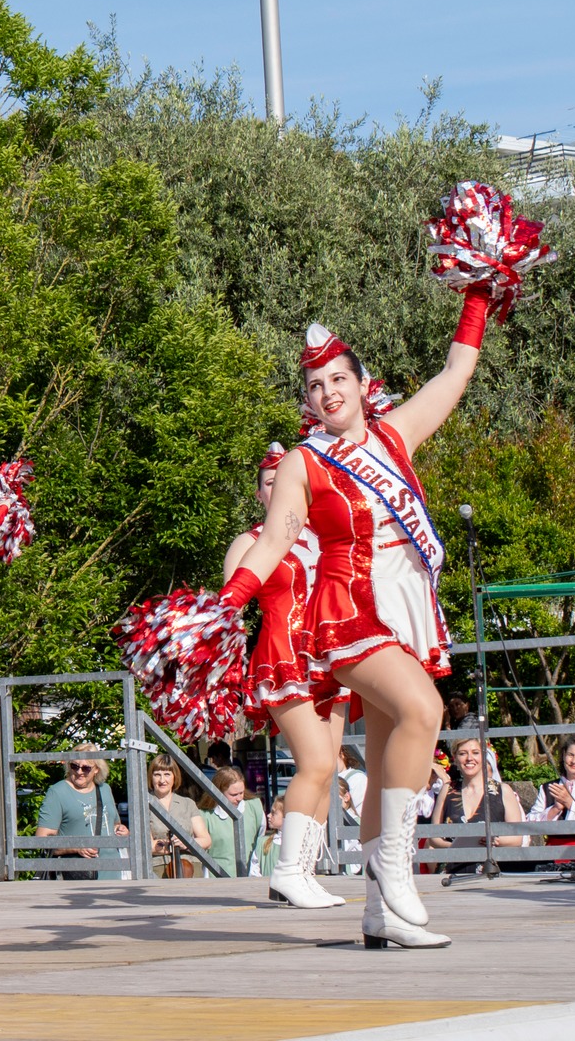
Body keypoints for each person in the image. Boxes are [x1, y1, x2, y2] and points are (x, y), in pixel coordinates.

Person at [219, 292, 502, 949]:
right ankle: (396, 871)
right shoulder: (303, 463)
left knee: (382, 760)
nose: (327, 392)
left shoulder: (395, 437)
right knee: (425, 711)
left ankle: (380, 914)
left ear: (360, 383)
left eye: (337, 379)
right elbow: (272, 541)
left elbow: (455, 372)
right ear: (309, 399)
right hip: (347, 614)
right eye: (315, 386)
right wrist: (227, 602)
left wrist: (479, 295)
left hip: (406, 614)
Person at [222, 441, 347, 908]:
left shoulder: (321, 537)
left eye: (286, 480)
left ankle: (303, 873)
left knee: (328, 770)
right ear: (259, 495)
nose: (279, 488)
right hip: (282, 656)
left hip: (329, 658)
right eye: (270, 482)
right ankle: (288, 870)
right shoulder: (251, 541)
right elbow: (227, 613)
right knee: (313, 763)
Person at [425, 735, 524, 875]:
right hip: (451, 872)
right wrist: (455, 848)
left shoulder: (503, 790)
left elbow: (517, 839)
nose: (469, 758)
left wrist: (494, 841)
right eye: (462, 753)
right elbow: (434, 837)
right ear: (455, 759)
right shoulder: (447, 790)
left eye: (475, 753)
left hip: (490, 871)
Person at [34, 744, 128, 880]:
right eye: (74, 766)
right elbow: (42, 841)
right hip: (76, 878)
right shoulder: (57, 792)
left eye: (86, 768)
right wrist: (77, 847)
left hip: (113, 874)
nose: (79, 772)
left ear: (96, 769)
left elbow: (113, 824)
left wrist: (121, 830)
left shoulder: (105, 789)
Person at [526, 738, 575, 861]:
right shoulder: (548, 788)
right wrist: (555, 809)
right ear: (563, 757)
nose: (574, 761)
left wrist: (570, 803)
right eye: (570, 755)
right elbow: (530, 823)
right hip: (552, 851)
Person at [142, 755, 210, 877]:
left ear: (175, 777)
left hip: (190, 867)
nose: (162, 780)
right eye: (157, 774)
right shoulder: (144, 804)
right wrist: (173, 845)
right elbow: (148, 845)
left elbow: (205, 840)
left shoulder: (188, 803)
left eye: (167, 774)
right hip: (158, 868)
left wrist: (186, 843)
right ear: (151, 778)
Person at [199, 767, 265, 879]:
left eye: (242, 793)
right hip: (217, 878)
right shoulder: (205, 815)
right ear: (218, 792)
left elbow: (260, 841)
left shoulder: (255, 808)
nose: (239, 798)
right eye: (234, 795)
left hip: (251, 876)